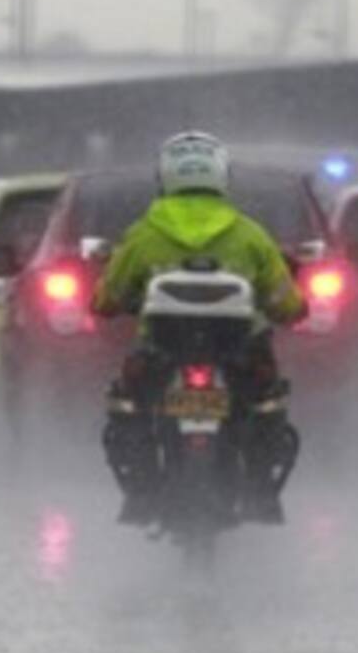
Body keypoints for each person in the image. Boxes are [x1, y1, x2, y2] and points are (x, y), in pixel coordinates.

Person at [93, 130, 306, 524]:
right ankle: (259, 494)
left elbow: (107, 300)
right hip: (241, 354)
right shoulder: (250, 235)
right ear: (221, 177)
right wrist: (290, 309)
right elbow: (286, 303)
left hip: (160, 353)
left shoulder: (143, 235)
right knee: (267, 405)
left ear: (166, 177)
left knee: (128, 406)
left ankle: (142, 495)